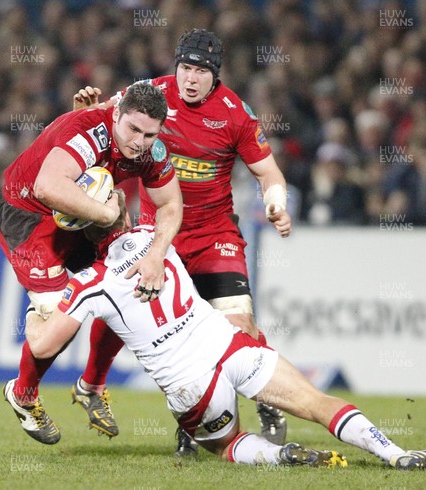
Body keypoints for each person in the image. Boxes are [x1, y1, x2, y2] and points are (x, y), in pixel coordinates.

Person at [16, 189, 426, 471]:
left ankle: (281, 456)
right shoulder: (156, 232)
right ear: (119, 210)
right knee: (316, 401)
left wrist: (38, 308)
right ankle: (396, 454)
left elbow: (45, 344)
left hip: (191, 386)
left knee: (228, 446)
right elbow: (169, 202)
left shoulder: (88, 283)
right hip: (228, 347)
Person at [72, 29, 290, 454]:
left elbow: (269, 174)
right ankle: (126, 399)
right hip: (159, 236)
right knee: (124, 308)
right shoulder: (149, 95)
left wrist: (276, 202)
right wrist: (83, 111)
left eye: (201, 71)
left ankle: (268, 401)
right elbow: (103, 126)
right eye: (185, 68)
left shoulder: (236, 115)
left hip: (214, 235)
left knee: (237, 329)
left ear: (215, 76)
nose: (191, 78)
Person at [0, 85, 183, 445]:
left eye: (150, 134)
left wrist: (157, 254)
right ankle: (23, 395)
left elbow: (171, 204)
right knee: (54, 331)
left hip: (84, 213)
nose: (140, 142)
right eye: (133, 130)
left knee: (130, 286)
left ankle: (91, 387)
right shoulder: (91, 133)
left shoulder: (149, 148)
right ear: (116, 114)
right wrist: (108, 213)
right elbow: (47, 187)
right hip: (30, 218)